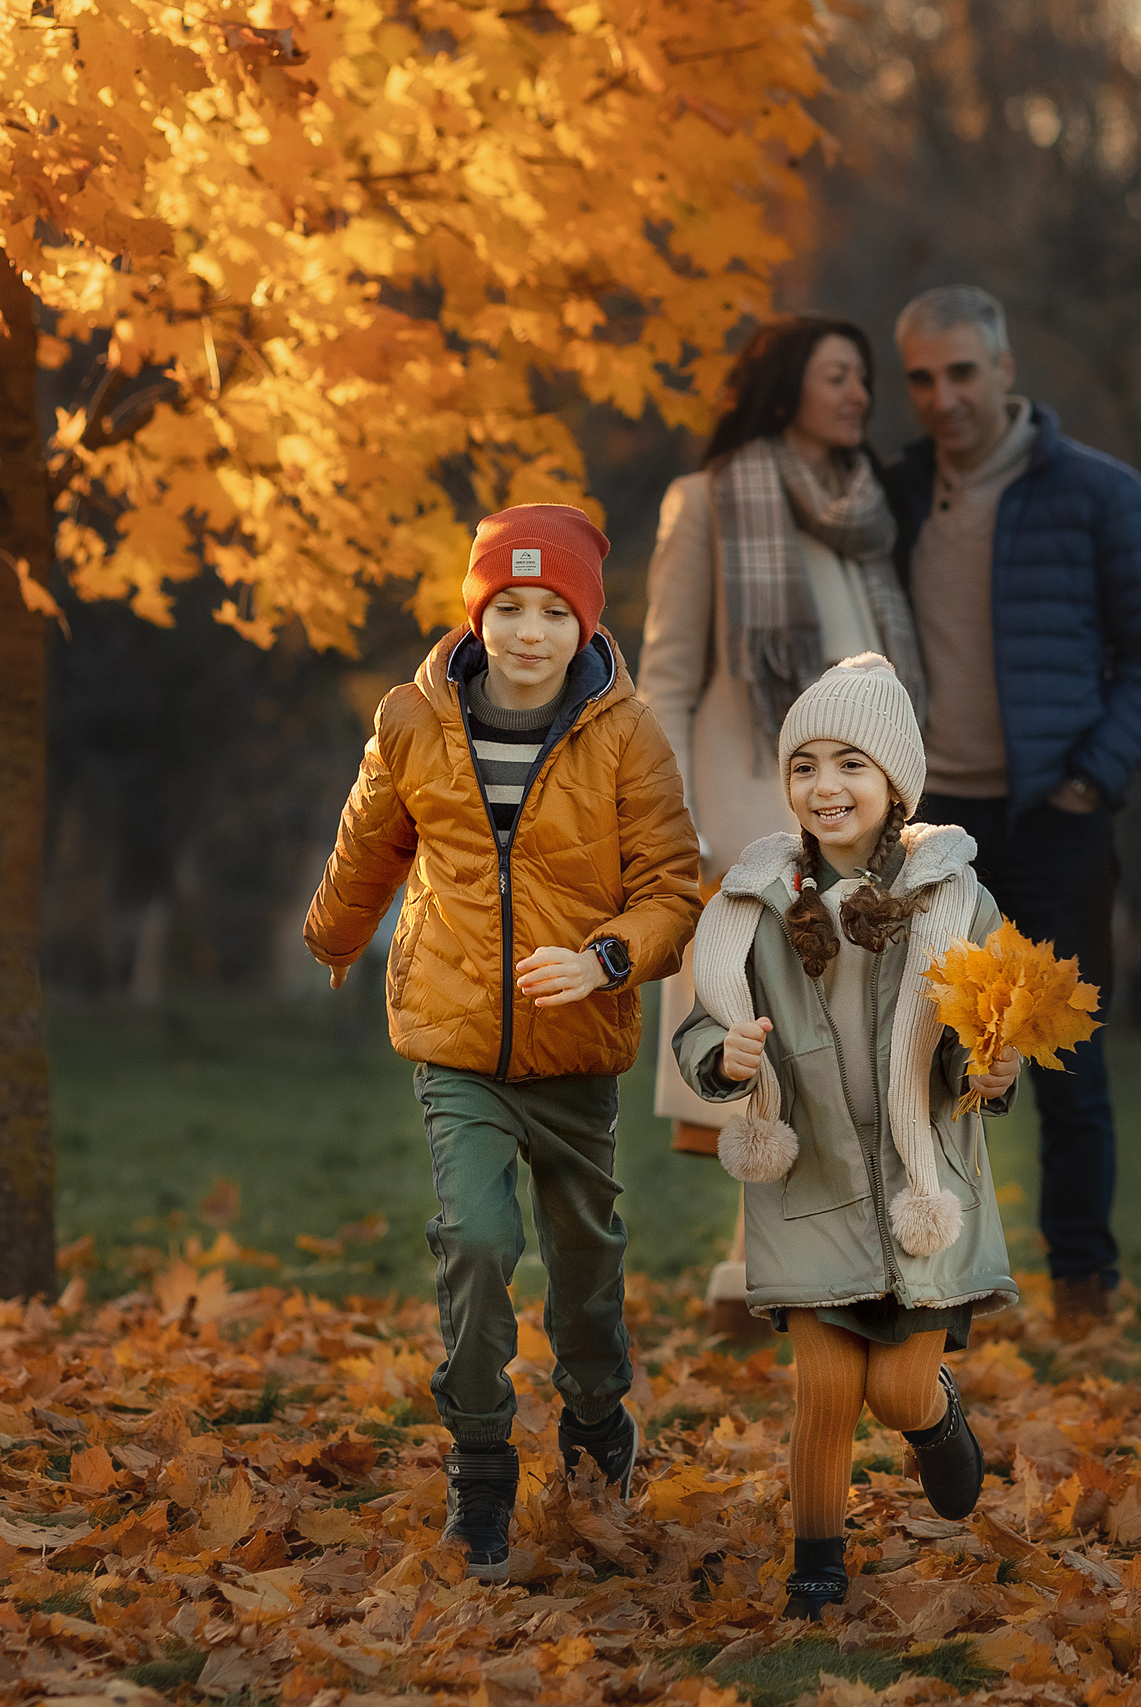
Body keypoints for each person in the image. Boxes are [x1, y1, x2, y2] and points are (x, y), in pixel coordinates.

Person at [305, 504, 701, 1579]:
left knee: (583, 1265)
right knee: (476, 1243)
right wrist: (333, 932)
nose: (529, 632)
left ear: (584, 623)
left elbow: (674, 886)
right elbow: (370, 843)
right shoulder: (415, 720)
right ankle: (480, 1468)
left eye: (552, 611)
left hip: (577, 1049)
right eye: (509, 608)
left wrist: (607, 959)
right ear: (478, 615)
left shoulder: (626, 734)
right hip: (456, 1039)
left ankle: (594, 1430)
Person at [672, 655, 1021, 1621]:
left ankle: (937, 1417)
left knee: (895, 1389)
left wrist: (989, 1070)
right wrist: (725, 1057)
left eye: (851, 765)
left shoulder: (953, 899)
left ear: (895, 783)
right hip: (809, 1178)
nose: (826, 786)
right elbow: (703, 1022)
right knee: (827, 1384)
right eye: (805, 766)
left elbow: (985, 1028)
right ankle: (816, 1565)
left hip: (920, 1188)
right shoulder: (752, 907)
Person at [887, 285, 1141, 1335]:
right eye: (921, 378)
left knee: (1068, 1063)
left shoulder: (1097, 494)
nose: (943, 397)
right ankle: (936, 1285)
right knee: (917, 1055)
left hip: (1054, 819)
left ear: (1005, 369)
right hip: (932, 825)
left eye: (962, 372)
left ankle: (1083, 1290)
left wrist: (1088, 782)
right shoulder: (894, 492)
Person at [638, 317, 927, 1338]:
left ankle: (850, 1252)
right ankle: (753, 1258)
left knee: (862, 1030)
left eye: (862, 378)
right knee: (768, 1033)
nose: (858, 394)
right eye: (837, 376)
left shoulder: (870, 513)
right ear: (784, 387)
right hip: (749, 813)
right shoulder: (709, 502)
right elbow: (666, 680)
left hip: (868, 817)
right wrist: (678, 823)